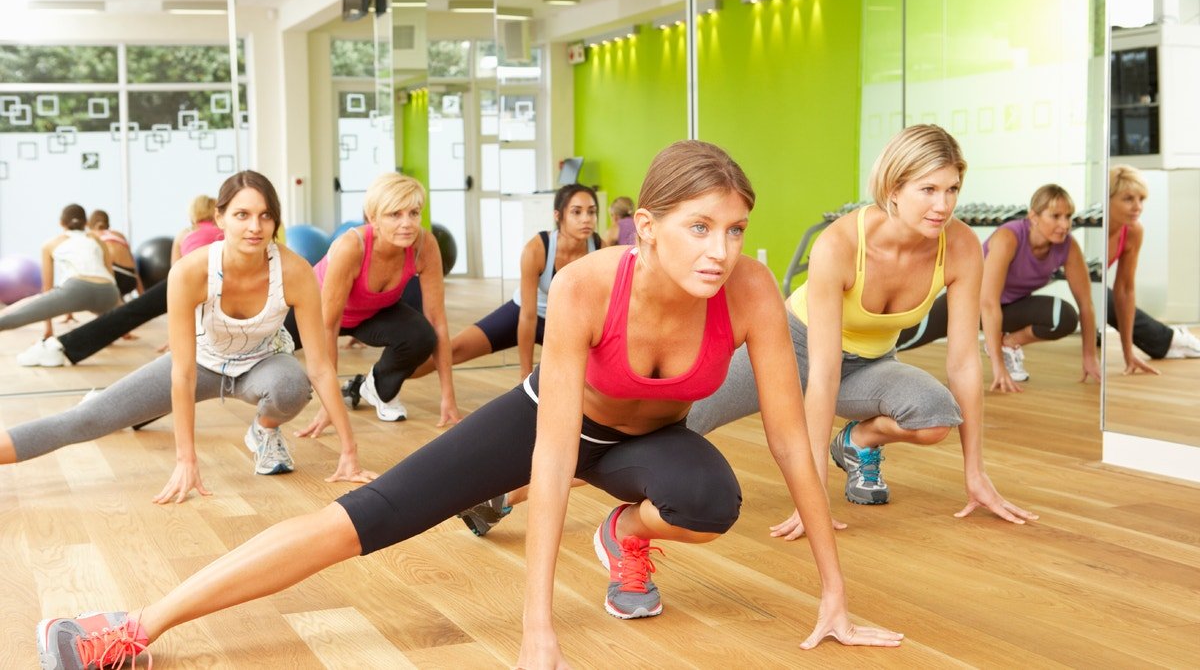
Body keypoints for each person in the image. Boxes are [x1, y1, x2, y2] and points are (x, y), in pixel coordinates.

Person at [35, 141, 901, 670]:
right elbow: (554, 455)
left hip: (648, 444)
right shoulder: (592, 285)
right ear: (648, 228)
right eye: (701, 227)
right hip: (542, 424)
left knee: (714, 500)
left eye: (737, 228)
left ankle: (625, 537)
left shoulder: (746, 290)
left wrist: (835, 592)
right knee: (359, 520)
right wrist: (536, 626)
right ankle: (132, 625)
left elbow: (793, 442)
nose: (723, 249)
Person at [687, 125, 1035, 539]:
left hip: (871, 363)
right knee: (679, 424)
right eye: (928, 189)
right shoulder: (840, 245)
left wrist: (975, 472)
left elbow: (962, 362)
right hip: (789, 348)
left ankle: (855, 442)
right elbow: (824, 371)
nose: (943, 205)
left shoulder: (959, 246)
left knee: (935, 416)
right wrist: (812, 492)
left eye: (952, 189)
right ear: (893, 188)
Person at [1, 171, 375, 504]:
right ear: (220, 218)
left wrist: (350, 450)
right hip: (200, 362)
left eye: (265, 215)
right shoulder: (191, 271)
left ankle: (264, 431)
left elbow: (321, 367)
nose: (254, 226)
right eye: (242, 214)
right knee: (86, 419)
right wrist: (186, 460)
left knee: (292, 384)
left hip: (263, 365)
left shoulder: (295, 271)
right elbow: (182, 373)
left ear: (275, 220)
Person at [286, 173, 460, 429]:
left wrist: (448, 397)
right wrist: (329, 405)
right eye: (394, 214)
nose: (407, 223)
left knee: (422, 335)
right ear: (373, 217)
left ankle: (377, 388)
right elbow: (327, 326)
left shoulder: (425, 245)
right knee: (259, 351)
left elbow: (438, 322)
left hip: (367, 313)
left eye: (414, 213)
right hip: (313, 309)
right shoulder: (351, 247)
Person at [898, 183, 1101, 391]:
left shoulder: (1068, 246)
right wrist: (999, 368)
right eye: (1056, 216)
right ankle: (865, 360)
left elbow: (1086, 305)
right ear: (1034, 217)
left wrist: (1089, 356)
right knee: (900, 339)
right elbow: (987, 302)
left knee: (1064, 316)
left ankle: (1009, 343)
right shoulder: (1008, 238)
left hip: (1011, 307)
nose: (1065, 225)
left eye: (1068, 216)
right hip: (969, 304)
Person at [410, 183, 602, 379]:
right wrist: (525, 374)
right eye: (576, 212)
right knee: (455, 349)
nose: (586, 219)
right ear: (558, 216)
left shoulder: (600, 248)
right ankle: (390, 376)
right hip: (524, 313)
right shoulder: (537, 249)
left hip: (565, 321)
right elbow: (528, 316)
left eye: (592, 212)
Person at [16, 197, 222, 368]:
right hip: (221, 283)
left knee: (131, 312)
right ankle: (60, 347)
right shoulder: (225, 234)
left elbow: (177, 271)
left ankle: (60, 347)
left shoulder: (185, 234)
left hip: (189, 282)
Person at [1106, 165, 1200, 368]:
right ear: (1107, 198)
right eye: (1128, 199)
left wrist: (1128, 353)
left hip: (1088, 290)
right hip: (1049, 286)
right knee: (1097, 294)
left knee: (1103, 295)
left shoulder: (1133, 230)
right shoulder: (1088, 228)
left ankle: (1168, 340)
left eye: (1141, 199)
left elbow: (1125, 289)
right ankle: (1171, 338)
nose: (1137, 207)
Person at [0, 204, 119, 338]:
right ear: (86, 223)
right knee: (106, 325)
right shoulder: (96, 240)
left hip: (77, 290)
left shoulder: (50, 244)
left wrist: (49, 330)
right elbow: (111, 275)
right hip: (109, 293)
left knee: (21, 312)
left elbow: (48, 288)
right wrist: (122, 316)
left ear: (61, 223)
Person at [87, 209, 142, 298]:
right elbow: (134, 266)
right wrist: (142, 294)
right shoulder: (120, 235)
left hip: (114, 276)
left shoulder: (91, 235)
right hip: (131, 280)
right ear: (108, 224)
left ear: (89, 225)